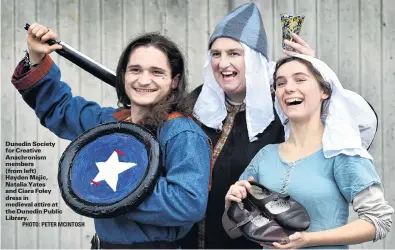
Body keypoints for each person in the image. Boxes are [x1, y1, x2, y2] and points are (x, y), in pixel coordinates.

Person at [11, 23, 211, 249]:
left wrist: (110, 187)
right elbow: (60, 109)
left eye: (156, 72)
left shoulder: (182, 133)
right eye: (135, 70)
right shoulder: (110, 124)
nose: (144, 80)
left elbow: (187, 203)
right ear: (124, 76)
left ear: (174, 81)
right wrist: (36, 57)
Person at [181, 3, 318, 249]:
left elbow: (345, 125)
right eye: (216, 53)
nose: (222, 63)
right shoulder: (196, 104)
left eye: (234, 53)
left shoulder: (282, 107)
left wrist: (314, 72)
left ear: (254, 59)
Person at [225, 55, 393, 249]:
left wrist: (309, 239)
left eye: (300, 79)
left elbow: (379, 220)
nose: (288, 88)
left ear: (325, 91)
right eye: (280, 83)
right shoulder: (265, 155)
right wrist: (231, 204)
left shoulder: (341, 153)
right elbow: (232, 229)